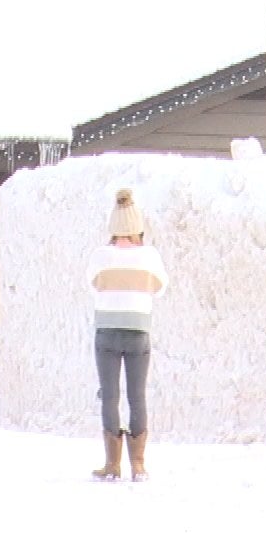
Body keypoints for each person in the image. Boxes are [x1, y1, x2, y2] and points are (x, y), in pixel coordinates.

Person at [85, 188, 169, 481]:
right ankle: (138, 464)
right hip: (138, 331)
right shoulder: (150, 256)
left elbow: (92, 286)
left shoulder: (100, 256)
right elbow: (161, 288)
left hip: (107, 331)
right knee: (137, 395)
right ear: (138, 228)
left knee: (109, 395)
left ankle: (112, 464)